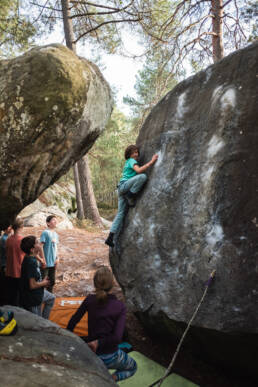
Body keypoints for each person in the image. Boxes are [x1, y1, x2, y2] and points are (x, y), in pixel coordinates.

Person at [67, 266, 137, 382]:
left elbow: (73, 321)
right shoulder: (119, 306)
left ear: (95, 283)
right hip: (111, 356)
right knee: (133, 367)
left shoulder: (89, 300)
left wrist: (69, 337)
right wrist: (98, 342)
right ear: (113, 283)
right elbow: (117, 338)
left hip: (92, 355)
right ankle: (111, 379)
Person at [105, 145, 158, 247]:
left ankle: (110, 237)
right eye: (134, 152)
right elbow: (138, 171)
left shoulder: (128, 162)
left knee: (120, 214)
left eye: (137, 152)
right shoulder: (131, 161)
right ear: (129, 154)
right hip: (125, 187)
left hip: (121, 189)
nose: (136, 154)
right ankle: (130, 195)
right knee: (142, 176)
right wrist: (152, 162)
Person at [20, 235, 55, 319]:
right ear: (32, 249)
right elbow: (32, 285)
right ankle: (42, 324)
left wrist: (42, 281)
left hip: (38, 293)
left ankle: (45, 321)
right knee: (36, 320)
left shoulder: (31, 256)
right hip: (32, 299)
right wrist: (43, 283)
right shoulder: (31, 262)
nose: (39, 243)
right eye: (37, 242)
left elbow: (38, 259)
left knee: (51, 298)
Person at [5, 218, 25, 306]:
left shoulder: (8, 239)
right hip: (20, 270)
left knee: (11, 293)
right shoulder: (22, 240)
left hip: (9, 270)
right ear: (21, 227)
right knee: (20, 295)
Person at [40, 215, 59, 293]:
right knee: (43, 282)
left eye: (56, 220)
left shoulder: (56, 234)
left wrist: (58, 258)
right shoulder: (45, 232)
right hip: (45, 263)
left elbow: (56, 247)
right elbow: (40, 246)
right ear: (48, 223)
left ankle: (49, 297)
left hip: (53, 263)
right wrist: (42, 259)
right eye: (53, 220)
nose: (55, 221)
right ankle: (40, 298)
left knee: (52, 281)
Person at [0, 226, 13, 306]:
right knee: (5, 285)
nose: (11, 228)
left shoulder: (6, 237)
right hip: (5, 264)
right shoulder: (4, 239)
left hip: (5, 263)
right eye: (9, 227)